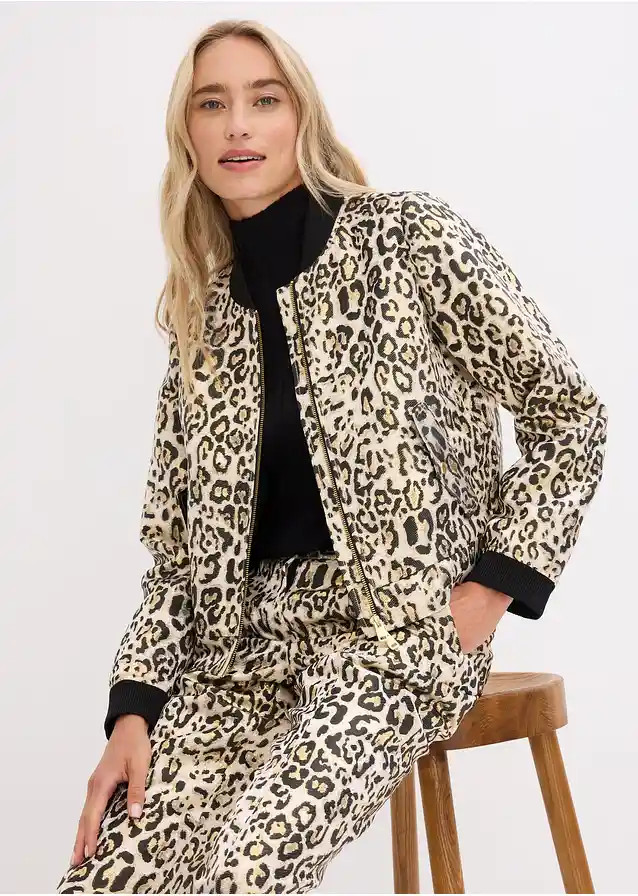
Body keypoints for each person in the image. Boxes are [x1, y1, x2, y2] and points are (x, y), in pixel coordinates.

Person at [55, 17, 608, 895]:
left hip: (395, 639)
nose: (239, 125)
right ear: (186, 134)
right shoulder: (203, 321)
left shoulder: (407, 239)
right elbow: (175, 558)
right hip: (242, 660)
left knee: (248, 870)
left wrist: (491, 588)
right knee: (106, 882)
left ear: (301, 117)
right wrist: (133, 711)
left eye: (264, 99)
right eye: (212, 104)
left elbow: (569, 413)